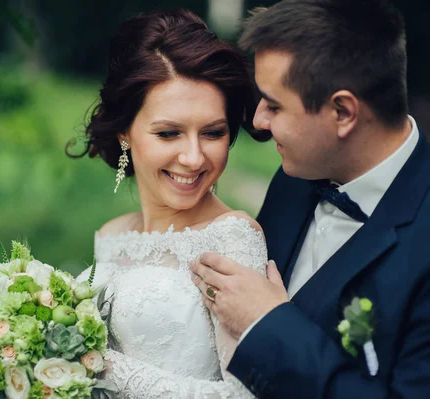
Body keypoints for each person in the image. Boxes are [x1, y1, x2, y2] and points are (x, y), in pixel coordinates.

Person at [191, 0, 430, 397]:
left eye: (275, 105)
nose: (258, 122)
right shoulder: (296, 179)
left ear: (342, 112)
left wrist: (268, 326)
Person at [70, 9, 270, 398]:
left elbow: (245, 395)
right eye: (169, 133)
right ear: (126, 132)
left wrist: (97, 365)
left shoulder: (233, 236)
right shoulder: (112, 235)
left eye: (212, 133)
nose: (194, 158)